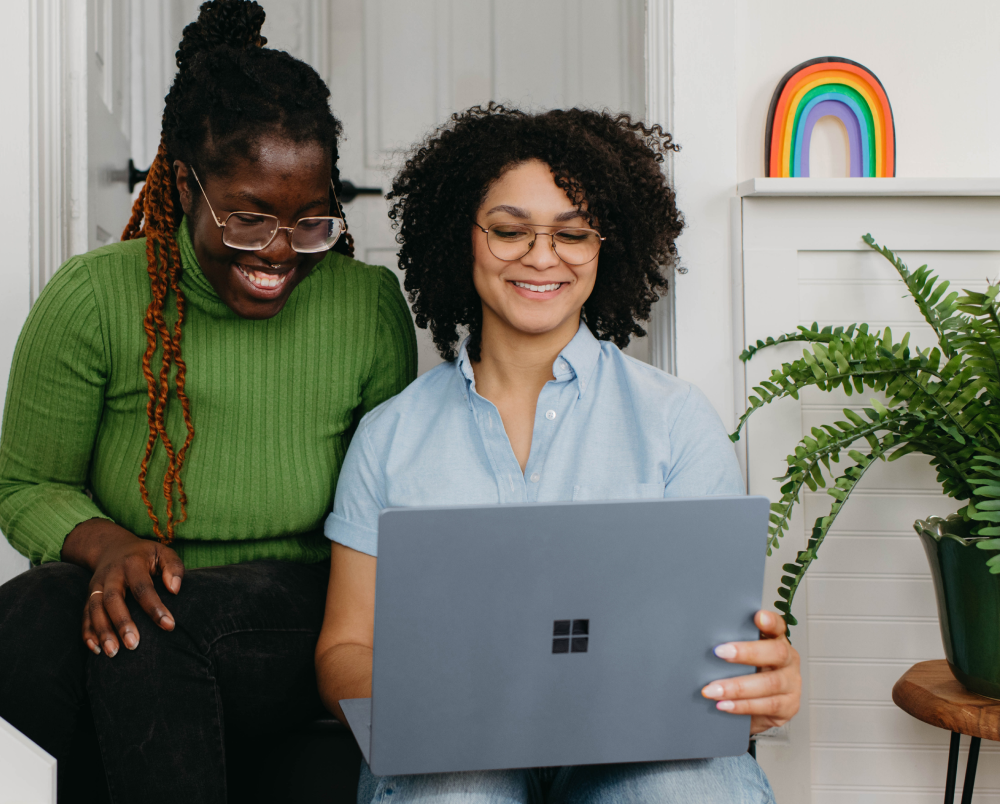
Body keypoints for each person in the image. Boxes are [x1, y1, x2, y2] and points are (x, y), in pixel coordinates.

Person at [0, 2, 416, 802]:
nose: (279, 253)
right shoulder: (95, 297)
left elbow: (392, 503)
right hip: (130, 580)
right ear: (181, 183)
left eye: (311, 224)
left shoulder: (366, 306)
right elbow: (25, 487)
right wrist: (108, 547)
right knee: (23, 619)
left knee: (153, 629)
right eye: (248, 219)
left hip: (293, 603)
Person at [314, 105, 801, 803]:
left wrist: (769, 675)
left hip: (641, 746)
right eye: (510, 230)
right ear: (465, 237)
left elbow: (727, 638)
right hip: (452, 746)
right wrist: (414, 709)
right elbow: (343, 649)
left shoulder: (677, 421)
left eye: (572, 233)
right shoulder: (390, 436)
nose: (542, 257)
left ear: (607, 246)